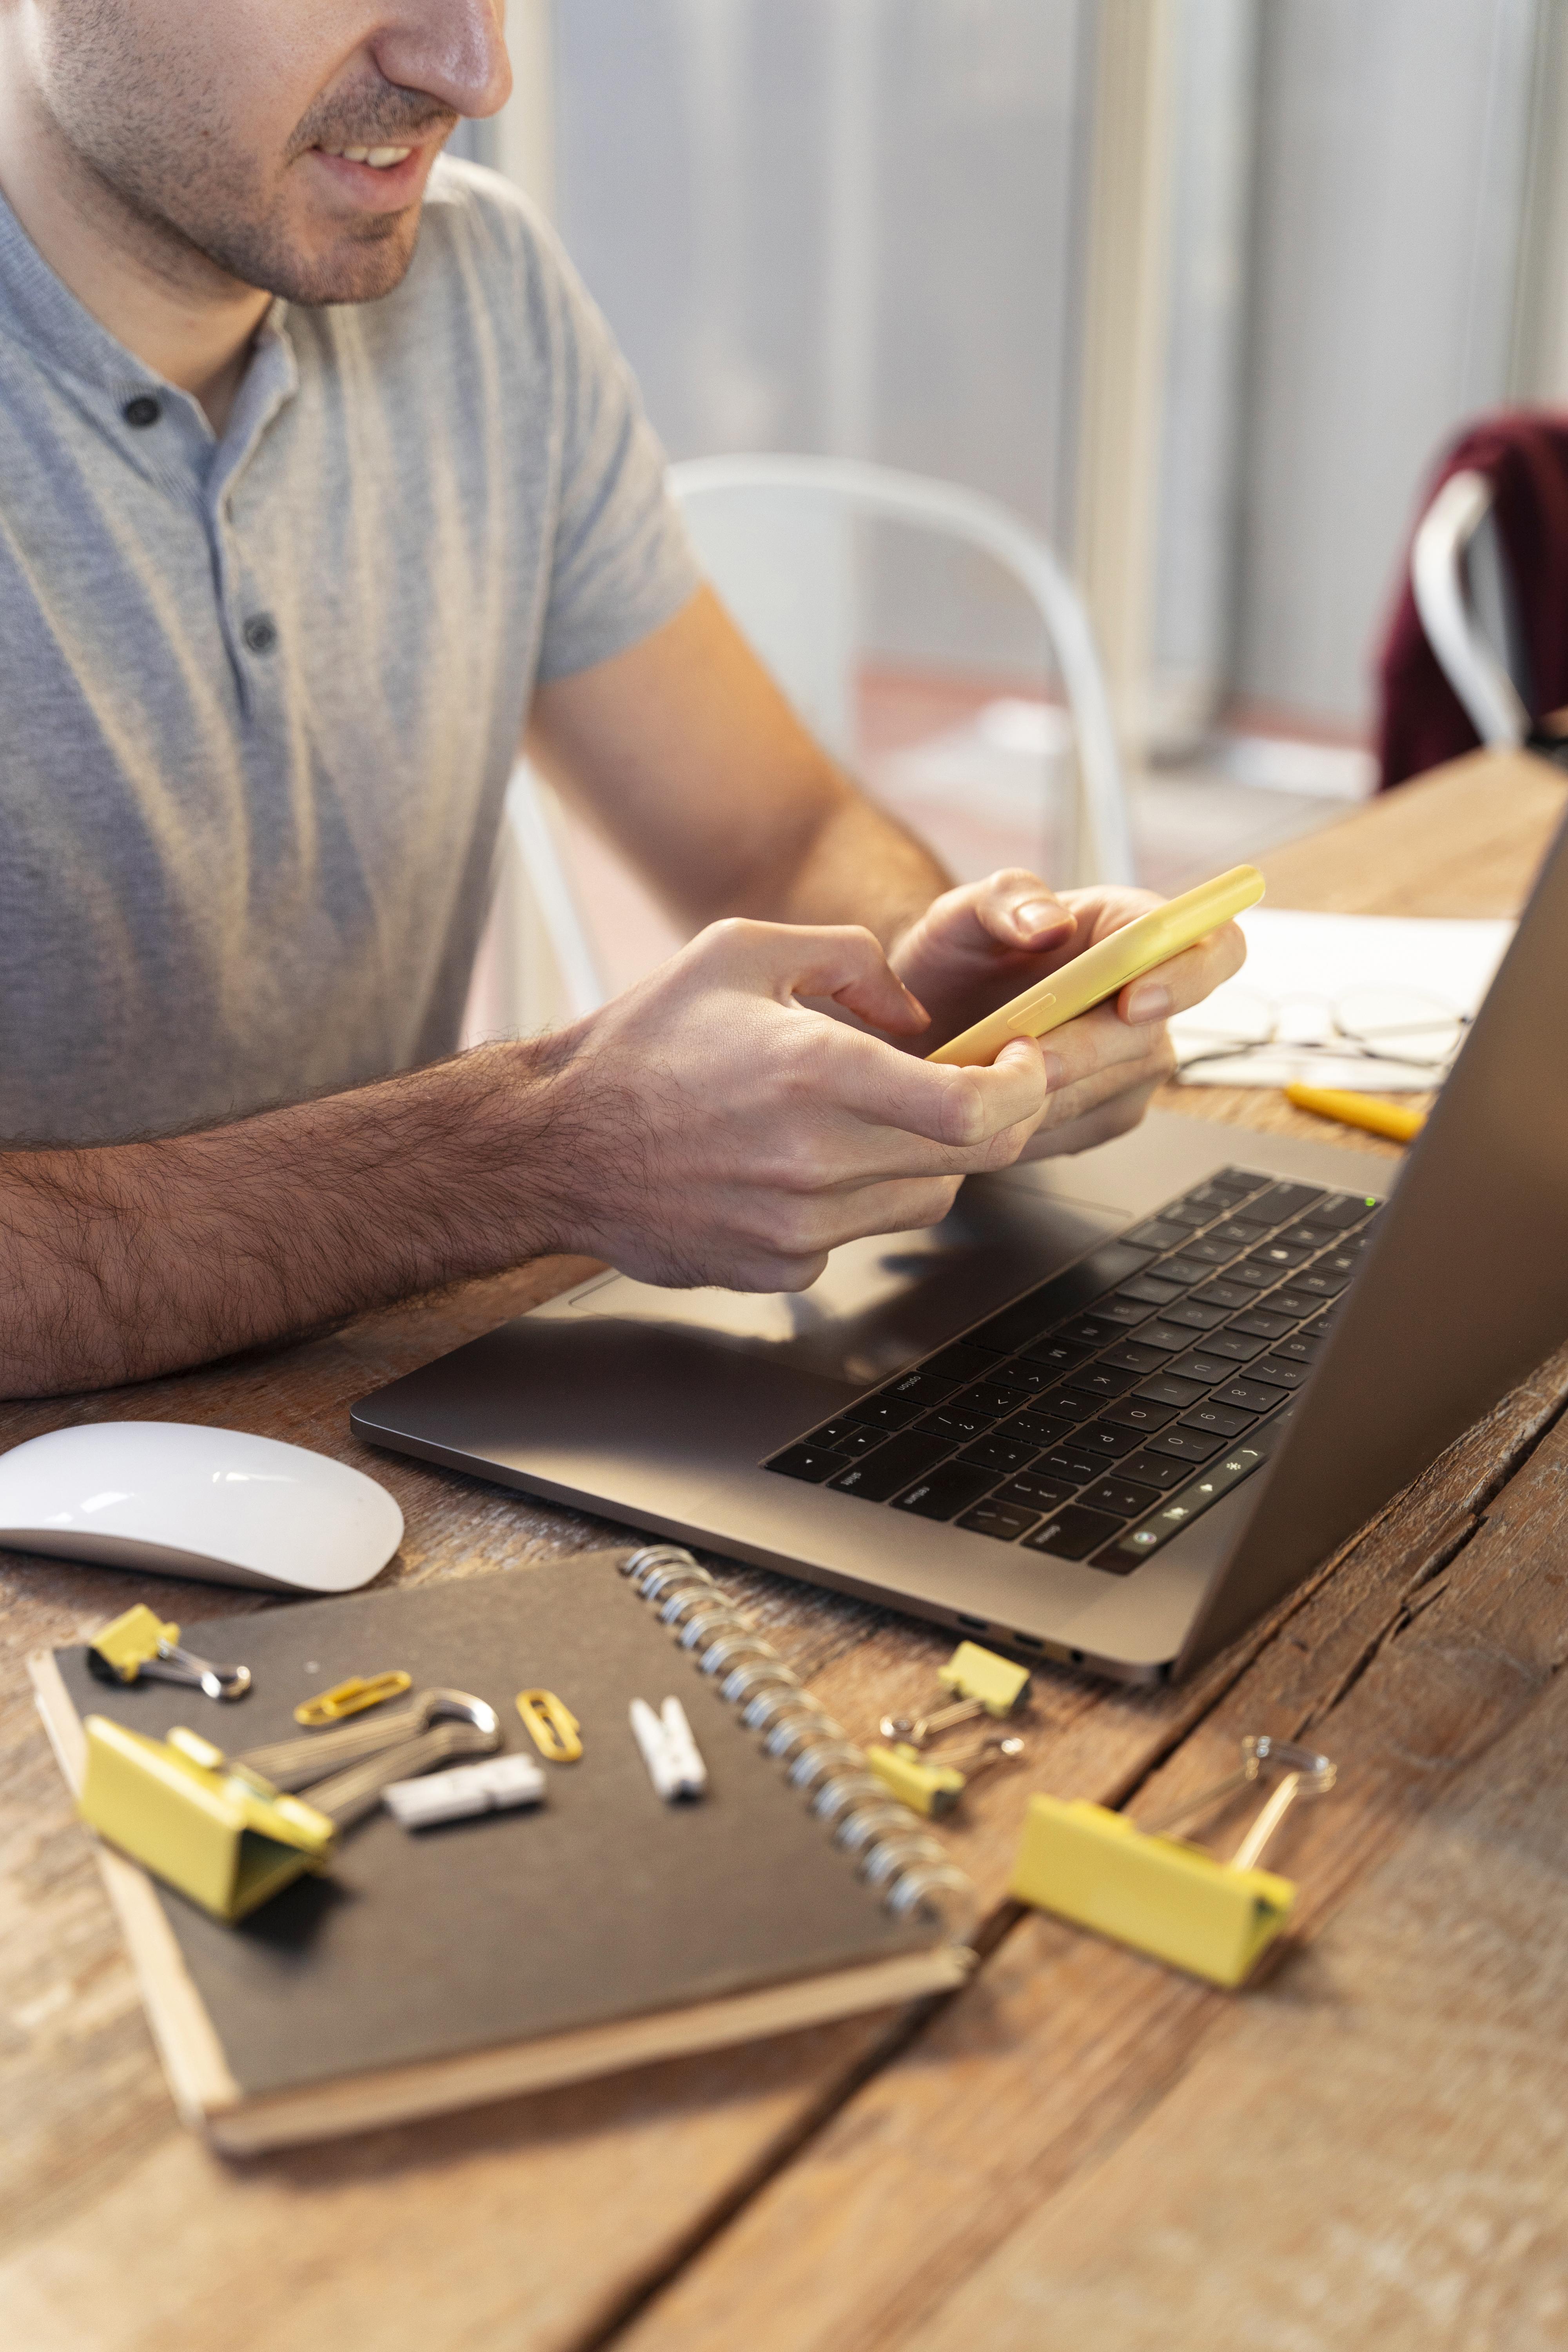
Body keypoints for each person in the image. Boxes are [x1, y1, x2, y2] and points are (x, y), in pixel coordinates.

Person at [0, 0, 1243, 1402]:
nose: (475, 72)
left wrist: (938, 1008)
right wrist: (537, 1148)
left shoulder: (482, 294)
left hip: (363, 1439)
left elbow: (772, 829)